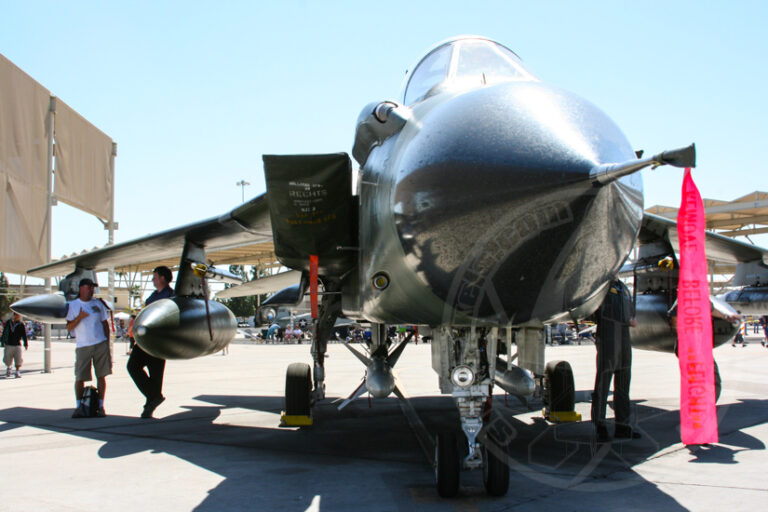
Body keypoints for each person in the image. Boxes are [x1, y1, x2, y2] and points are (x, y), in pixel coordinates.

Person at [591, 278, 640, 441]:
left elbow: (630, 310)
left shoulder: (623, 288)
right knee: (603, 384)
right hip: (608, 336)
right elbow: (592, 311)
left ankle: (623, 426)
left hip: (624, 338)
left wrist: (632, 320)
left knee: (624, 384)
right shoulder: (601, 286)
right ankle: (600, 425)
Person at [127, 266, 173, 418]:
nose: (153, 279)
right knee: (132, 366)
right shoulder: (152, 296)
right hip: (146, 339)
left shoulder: (171, 296)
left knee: (155, 375)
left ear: (162, 278)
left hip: (160, 341)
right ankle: (154, 396)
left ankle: (150, 405)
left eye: (155, 276)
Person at [66, 278, 111, 418]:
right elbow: (69, 327)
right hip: (83, 346)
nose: (92, 290)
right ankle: (79, 407)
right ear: (81, 288)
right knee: (80, 377)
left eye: (93, 287)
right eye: (89, 287)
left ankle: (101, 406)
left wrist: (107, 344)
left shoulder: (98, 304)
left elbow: (105, 324)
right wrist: (79, 317)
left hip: (100, 344)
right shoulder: (73, 305)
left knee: (101, 376)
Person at [3, 313, 28, 378]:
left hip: (17, 344)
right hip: (9, 344)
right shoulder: (9, 323)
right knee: (7, 358)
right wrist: (2, 341)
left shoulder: (21, 324)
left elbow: (24, 334)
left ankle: (17, 371)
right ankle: (9, 368)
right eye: (16, 315)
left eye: (19, 316)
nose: (17, 317)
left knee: (18, 359)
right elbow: (4, 332)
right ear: (14, 315)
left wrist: (26, 344)